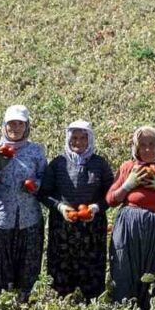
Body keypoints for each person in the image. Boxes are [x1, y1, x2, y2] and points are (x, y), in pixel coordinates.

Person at [107, 126, 155, 310]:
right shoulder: (128, 168)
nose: (148, 149)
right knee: (125, 269)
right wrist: (128, 185)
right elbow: (111, 200)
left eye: (152, 144)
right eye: (143, 145)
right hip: (128, 229)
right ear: (136, 147)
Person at [39, 120, 114, 300]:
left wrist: (96, 207)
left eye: (83, 138)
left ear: (90, 140)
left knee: (92, 272)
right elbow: (43, 193)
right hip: (63, 229)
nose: (78, 142)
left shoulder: (100, 164)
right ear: (68, 139)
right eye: (74, 138)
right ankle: (61, 305)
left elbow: (111, 194)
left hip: (92, 229)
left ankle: (92, 306)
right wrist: (60, 206)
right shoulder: (58, 163)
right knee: (61, 274)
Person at [0, 105, 45, 300]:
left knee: (28, 269)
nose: (15, 128)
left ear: (27, 126)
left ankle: (24, 305)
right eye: (11, 124)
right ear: (4, 125)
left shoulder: (36, 151)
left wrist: (35, 185)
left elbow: (45, 177)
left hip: (29, 219)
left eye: (20, 124)